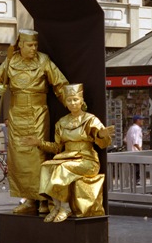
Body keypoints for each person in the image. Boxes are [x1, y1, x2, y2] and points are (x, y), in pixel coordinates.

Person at [0, 29, 69, 214]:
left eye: (35, 45)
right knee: (18, 159)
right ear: (21, 45)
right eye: (30, 45)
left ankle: (44, 199)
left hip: (37, 114)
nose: (34, 48)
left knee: (38, 156)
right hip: (17, 114)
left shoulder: (44, 60)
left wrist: (72, 102)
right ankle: (29, 200)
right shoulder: (10, 61)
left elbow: (60, 84)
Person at [22, 83, 114, 223]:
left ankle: (66, 208)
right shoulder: (61, 122)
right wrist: (39, 143)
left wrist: (101, 134)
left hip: (87, 160)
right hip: (67, 156)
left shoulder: (90, 119)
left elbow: (103, 142)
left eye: (75, 99)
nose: (72, 103)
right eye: (69, 100)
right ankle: (56, 206)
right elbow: (57, 148)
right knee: (46, 166)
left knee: (62, 168)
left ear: (81, 100)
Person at [125, 114, 144, 182]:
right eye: (141, 120)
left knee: (134, 167)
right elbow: (135, 142)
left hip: (130, 151)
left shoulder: (131, 128)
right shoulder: (137, 128)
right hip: (136, 151)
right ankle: (137, 180)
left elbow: (125, 140)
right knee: (137, 167)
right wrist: (140, 150)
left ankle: (134, 180)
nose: (142, 121)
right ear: (137, 120)